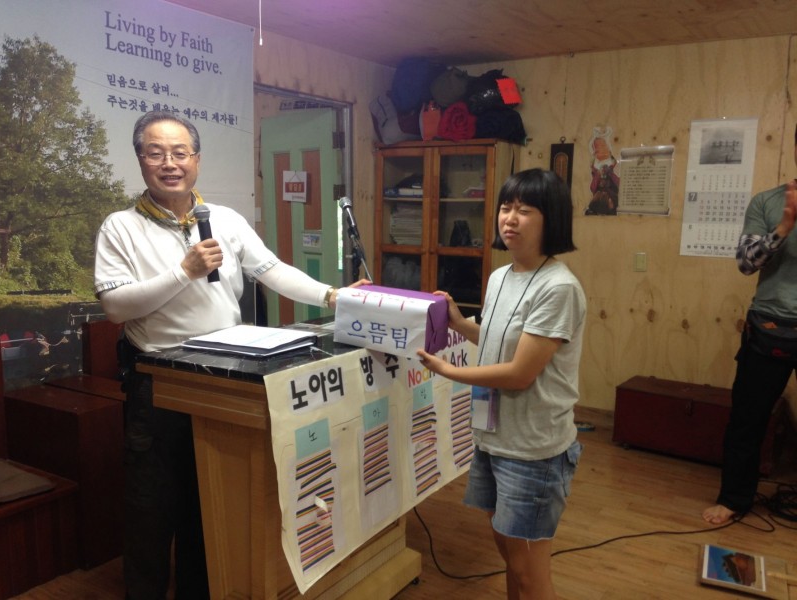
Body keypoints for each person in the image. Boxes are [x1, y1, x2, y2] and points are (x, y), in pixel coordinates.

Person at [94, 110, 366, 599]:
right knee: (151, 506)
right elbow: (116, 307)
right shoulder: (121, 227)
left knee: (210, 500)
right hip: (158, 381)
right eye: (156, 153)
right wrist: (184, 271)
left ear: (196, 160)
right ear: (140, 160)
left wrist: (332, 296)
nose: (170, 163)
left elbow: (272, 270)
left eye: (180, 153)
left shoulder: (223, 219)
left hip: (221, 380)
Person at [417, 169, 586, 600]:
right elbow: (497, 340)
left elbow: (519, 372)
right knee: (510, 557)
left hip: (533, 449)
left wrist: (447, 371)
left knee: (529, 573)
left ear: (551, 219)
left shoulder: (558, 287)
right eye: (506, 207)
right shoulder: (500, 276)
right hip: (494, 436)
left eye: (524, 210)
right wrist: (459, 323)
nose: (510, 218)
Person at [703, 125, 797, 525]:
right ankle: (735, 499)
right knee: (747, 419)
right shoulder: (767, 201)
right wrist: (784, 227)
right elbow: (745, 263)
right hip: (769, 327)